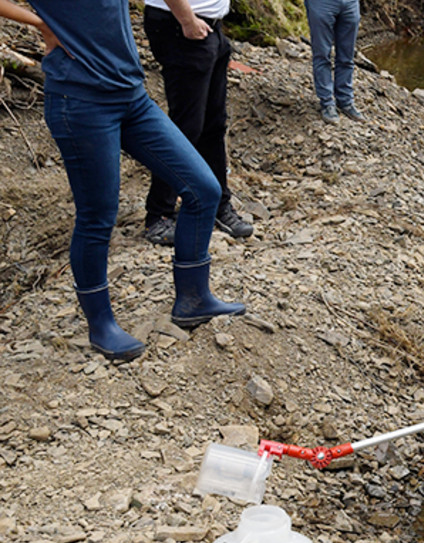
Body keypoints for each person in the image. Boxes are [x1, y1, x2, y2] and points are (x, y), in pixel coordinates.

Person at [0, 0, 246, 362]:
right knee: (97, 217)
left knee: (204, 189)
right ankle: (101, 325)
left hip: (131, 96)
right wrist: (41, 24)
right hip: (79, 101)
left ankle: (194, 299)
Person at [139, 0, 254, 246]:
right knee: (185, 126)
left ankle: (216, 204)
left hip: (209, 26)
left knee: (214, 124)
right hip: (181, 26)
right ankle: (159, 213)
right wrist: (186, 19)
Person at [303, 0, 362, 123]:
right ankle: (327, 103)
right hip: (322, 4)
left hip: (350, 3)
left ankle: (345, 101)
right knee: (322, 55)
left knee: (347, 56)